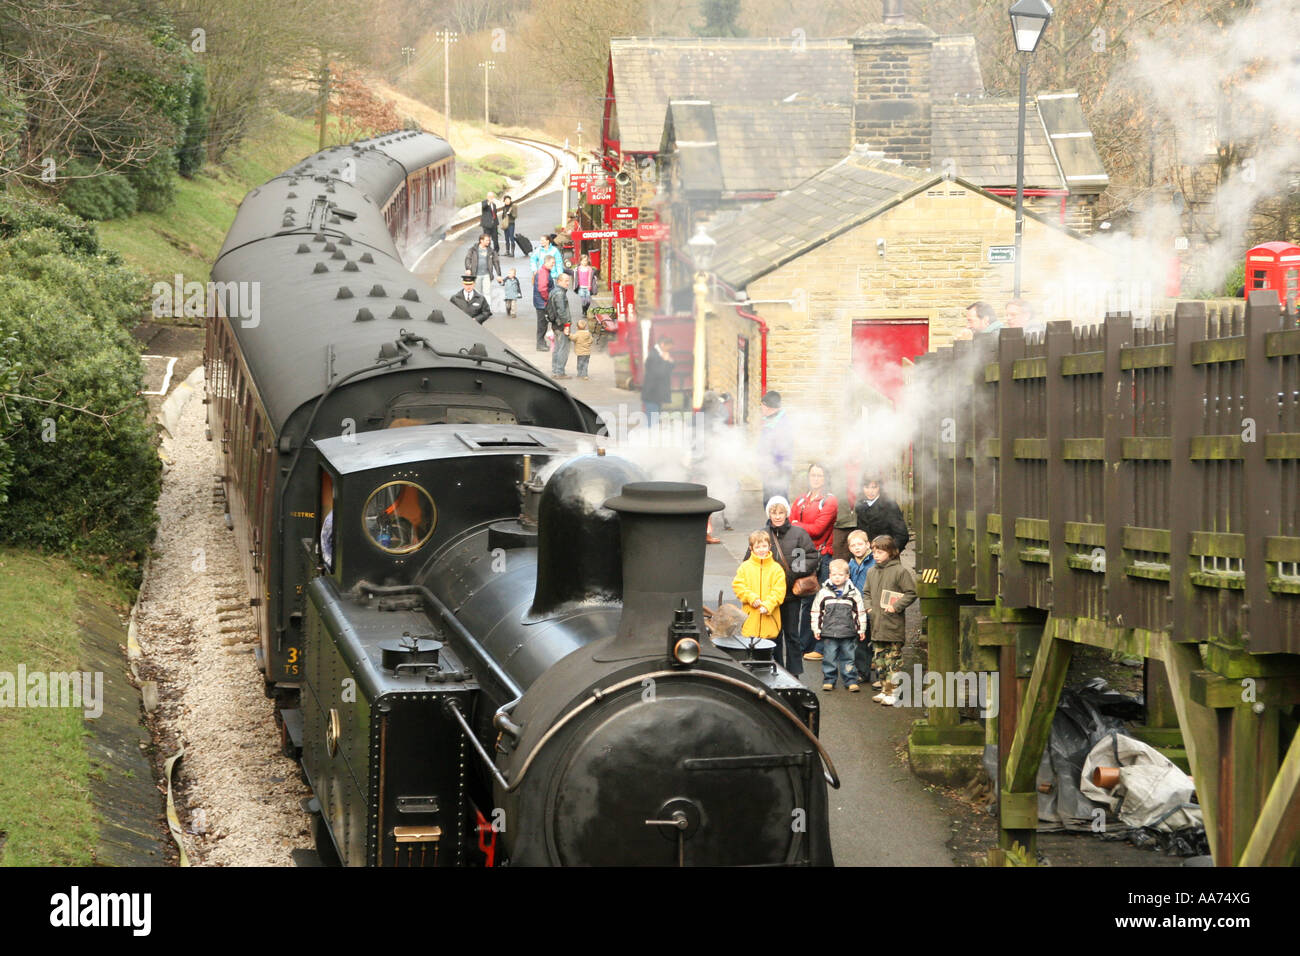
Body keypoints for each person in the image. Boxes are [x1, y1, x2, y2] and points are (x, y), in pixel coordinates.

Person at [743, 495, 816, 676]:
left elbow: (811, 557)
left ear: (787, 513)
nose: (777, 516)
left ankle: (794, 673)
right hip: (768, 598)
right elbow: (748, 561)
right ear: (769, 513)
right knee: (772, 634)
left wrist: (790, 575)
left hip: (790, 595)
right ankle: (776, 669)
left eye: (781, 512)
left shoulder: (798, 534)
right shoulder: (761, 535)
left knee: (792, 635)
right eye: (773, 513)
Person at [791, 461, 837, 660]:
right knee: (803, 597)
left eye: (819, 475)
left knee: (822, 600)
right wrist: (797, 525)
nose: (816, 479)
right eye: (813, 475)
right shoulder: (801, 500)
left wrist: (797, 525)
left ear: (825, 478)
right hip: (801, 553)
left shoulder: (829, 501)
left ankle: (819, 647)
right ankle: (803, 644)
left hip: (823, 553)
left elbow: (819, 529)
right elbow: (789, 524)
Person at [864, 535, 916, 705]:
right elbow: (866, 593)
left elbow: (911, 593)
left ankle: (892, 691)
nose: (875, 555)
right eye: (874, 552)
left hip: (893, 624)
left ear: (891, 552)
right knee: (879, 660)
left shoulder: (900, 571)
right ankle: (884, 688)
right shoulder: (871, 571)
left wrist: (896, 606)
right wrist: (869, 607)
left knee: (893, 660)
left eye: (879, 552)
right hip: (877, 623)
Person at [810, 559, 867, 692]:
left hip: (848, 632)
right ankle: (829, 679)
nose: (837, 578)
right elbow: (816, 612)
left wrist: (861, 629)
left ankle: (851, 680)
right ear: (829, 575)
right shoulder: (823, 593)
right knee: (829, 657)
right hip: (829, 632)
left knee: (849, 657)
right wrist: (816, 629)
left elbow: (859, 612)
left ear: (847, 576)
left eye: (840, 575)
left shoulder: (853, 593)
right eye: (834, 575)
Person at [732, 529, 786, 644]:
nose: (761, 550)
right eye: (758, 547)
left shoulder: (776, 569)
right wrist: (751, 597)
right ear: (751, 548)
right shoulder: (745, 567)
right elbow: (738, 586)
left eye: (764, 546)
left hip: (770, 623)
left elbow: (779, 591)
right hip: (750, 623)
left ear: (769, 546)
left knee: (771, 655)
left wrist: (768, 605)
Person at [846, 530, 876, 684]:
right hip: (857, 609)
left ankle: (881, 676)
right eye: (853, 545)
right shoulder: (851, 563)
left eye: (860, 544)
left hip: (872, 607)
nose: (857, 548)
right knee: (860, 641)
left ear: (867, 544)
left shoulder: (874, 562)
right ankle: (862, 673)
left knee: (876, 641)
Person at [756, 391, 794, 507]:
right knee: (770, 502)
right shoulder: (772, 420)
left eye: (762, 405)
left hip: (777, 471)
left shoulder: (780, 424)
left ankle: (776, 525)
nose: (761, 408)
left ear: (768, 406)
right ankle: (773, 524)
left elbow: (783, 449)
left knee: (776, 502)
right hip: (771, 470)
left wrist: (774, 468)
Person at [854, 475, 909, 552]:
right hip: (866, 555)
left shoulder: (889, 505)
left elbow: (902, 535)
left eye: (874, 487)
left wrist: (889, 552)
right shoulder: (859, 504)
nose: (870, 491)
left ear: (880, 487)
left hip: (886, 554)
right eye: (867, 487)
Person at [544, 272, 580, 378]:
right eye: (566, 281)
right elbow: (562, 311)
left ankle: (555, 370)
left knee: (557, 348)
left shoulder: (554, 291)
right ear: (559, 281)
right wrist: (567, 325)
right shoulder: (560, 294)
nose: (568, 283)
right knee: (563, 348)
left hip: (555, 323)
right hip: (561, 325)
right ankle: (560, 372)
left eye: (568, 281)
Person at [465, 233, 501, 302]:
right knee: (477, 293)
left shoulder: (491, 251)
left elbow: (496, 262)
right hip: (476, 275)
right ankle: (477, 308)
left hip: (487, 275)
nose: (489, 242)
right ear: (481, 240)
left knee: (487, 293)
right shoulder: (473, 249)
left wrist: (499, 275)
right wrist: (468, 269)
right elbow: (468, 258)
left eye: (489, 240)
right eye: (487, 240)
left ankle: (487, 309)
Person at [642, 337, 673, 416]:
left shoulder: (660, 354)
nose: (669, 350)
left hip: (657, 394)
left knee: (655, 419)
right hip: (652, 393)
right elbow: (659, 372)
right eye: (668, 347)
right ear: (662, 345)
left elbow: (668, 369)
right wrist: (665, 361)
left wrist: (670, 361)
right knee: (652, 420)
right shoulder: (653, 355)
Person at [532, 256, 556, 351]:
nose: (553, 264)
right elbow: (542, 289)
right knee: (542, 324)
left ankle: (541, 342)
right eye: (552, 263)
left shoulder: (544, 271)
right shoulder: (543, 272)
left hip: (541, 302)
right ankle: (540, 344)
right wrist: (548, 300)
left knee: (543, 324)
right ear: (546, 262)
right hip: (542, 303)